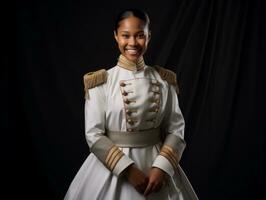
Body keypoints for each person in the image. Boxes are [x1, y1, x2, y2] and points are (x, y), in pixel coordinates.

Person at [64, 8, 198, 200]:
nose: (133, 43)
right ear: (116, 37)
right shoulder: (101, 82)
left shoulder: (164, 81)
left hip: (156, 167)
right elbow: (93, 135)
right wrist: (128, 170)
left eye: (140, 35)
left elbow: (176, 129)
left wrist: (162, 167)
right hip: (112, 168)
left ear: (149, 36)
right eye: (125, 36)